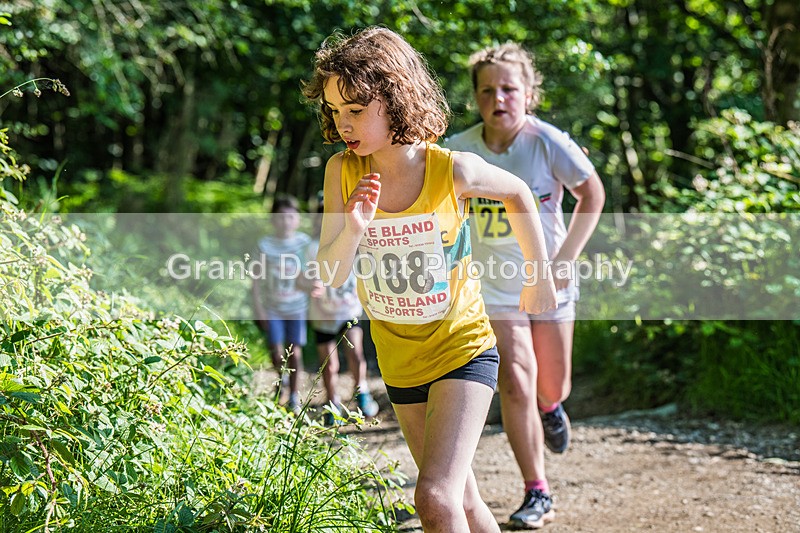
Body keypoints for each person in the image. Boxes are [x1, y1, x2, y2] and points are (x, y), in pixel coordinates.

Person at [302, 27, 557, 533]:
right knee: (460, 502)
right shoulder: (341, 171)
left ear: (395, 98)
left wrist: (540, 277)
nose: (343, 123)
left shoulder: (451, 170)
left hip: (461, 348)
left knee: (433, 497)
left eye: (355, 109)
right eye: (334, 111)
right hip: (399, 359)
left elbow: (520, 194)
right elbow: (330, 272)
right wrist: (353, 225)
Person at [446, 43, 606, 529]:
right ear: (475, 98)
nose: (499, 98)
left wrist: (562, 261)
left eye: (510, 89)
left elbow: (592, 194)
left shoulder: (546, 142)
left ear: (529, 94)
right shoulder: (458, 149)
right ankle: (537, 490)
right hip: (494, 288)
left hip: (549, 278)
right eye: (488, 90)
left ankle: (553, 406)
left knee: (550, 383)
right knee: (515, 380)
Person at [307, 195, 380, 425]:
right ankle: (333, 403)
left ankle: (362, 394)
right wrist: (310, 290)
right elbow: (305, 278)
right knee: (329, 364)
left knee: (356, 354)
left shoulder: (354, 240)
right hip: (322, 314)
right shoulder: (310, 247)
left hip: (349, 309)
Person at [251, 194, 312, 414]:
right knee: (276, 352)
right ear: (273, 219)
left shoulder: (304, 243)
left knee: (294, 352)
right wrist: (258, 308)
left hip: (297, 307)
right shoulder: (264, 245)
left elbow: (313, 271)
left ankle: (294, 397)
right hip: (272, 307)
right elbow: (256, 279)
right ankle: (282, 379)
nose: (285, 221)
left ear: (297, 219)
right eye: (280, 217)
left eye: (290, 217)